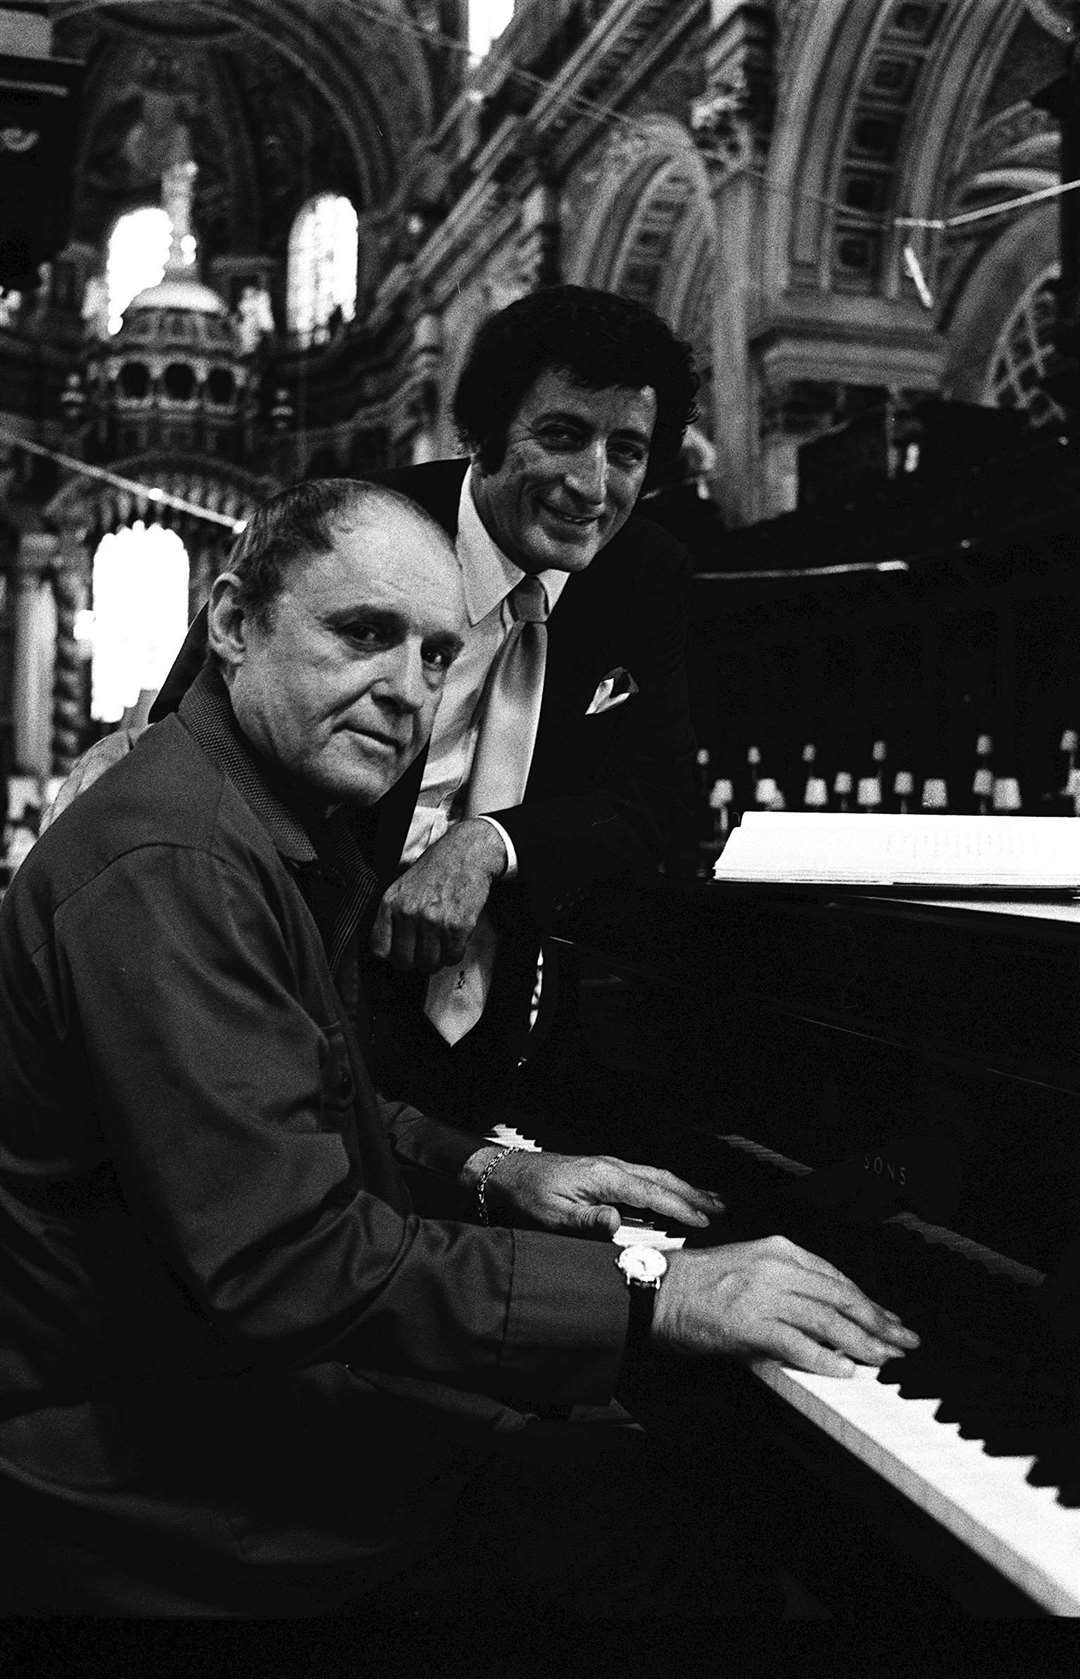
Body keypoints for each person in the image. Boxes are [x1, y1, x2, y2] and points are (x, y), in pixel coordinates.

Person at [0, 480, 919, 1618]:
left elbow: (301, 1105)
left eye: (437, 656)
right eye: (364, 633)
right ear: (233, 624)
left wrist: (495, 1166)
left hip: (211, 1385)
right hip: (141, 1457)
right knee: (689, 1518)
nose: (406, 692)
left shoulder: (249, 822)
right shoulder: (177, 861)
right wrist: (657, 1286)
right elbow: (288, 1262)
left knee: (657, 1468)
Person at [43, 285, 702, 1126]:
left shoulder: (647, 573)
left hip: (502, 996)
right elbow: (191, 735)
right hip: (304, 971)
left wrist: (488, 845)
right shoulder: (351, 526)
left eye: (629, 450)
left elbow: (659, 799)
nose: (591, 485)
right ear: (488, 430)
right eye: (563, 434)